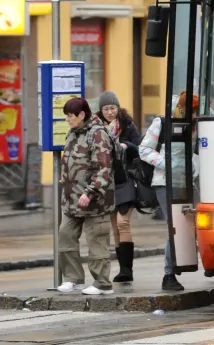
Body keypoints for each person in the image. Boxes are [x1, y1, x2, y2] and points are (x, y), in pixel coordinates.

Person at [139, 91, 214, 290]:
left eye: (198, 112)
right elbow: (144, 149)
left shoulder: (199, 124)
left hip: (190, 182)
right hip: (165, 182)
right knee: (175, 226)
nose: (195, 116)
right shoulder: (163, 123)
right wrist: (168, 164)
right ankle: (169, 275)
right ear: (181, 109)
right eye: (192, 112)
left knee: (207, 222)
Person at [57, 97, 115, 295]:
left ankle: (102, 283)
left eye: (70, 116)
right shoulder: (73, 133)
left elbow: (104, 168)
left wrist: (90, 192)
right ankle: (74, 279)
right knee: (66, 236)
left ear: (82, 115)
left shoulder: (98, 134)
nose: (67, 119)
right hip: (71, 200)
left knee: (97, 241)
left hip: (95, 201)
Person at [96, 91, 141, 283]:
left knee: (123, 223)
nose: (109, 112)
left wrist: (126, 145)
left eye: (112, 108)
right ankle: (123, 271)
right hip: (108, 181)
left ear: (118, 108)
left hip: (126, 180)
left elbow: (141, 149)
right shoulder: (97, 128)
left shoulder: (127, 125)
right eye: (106, 109)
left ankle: (127, 270)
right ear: (101, 110)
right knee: (115, 226)